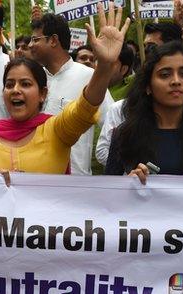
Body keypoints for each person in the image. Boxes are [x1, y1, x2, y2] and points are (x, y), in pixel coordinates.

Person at [0, 3, 129, 174]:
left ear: (42, 94)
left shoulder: (56, 131)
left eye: (25, 84)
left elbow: (85, 110)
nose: (16, 90)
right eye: (9, 85)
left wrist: (105, 66)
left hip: (72, 189)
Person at [105, 41, 183, 182]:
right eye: (165, 75)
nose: (176, 81)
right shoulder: (125, 134)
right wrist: (128, 183)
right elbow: (108, 190)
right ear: (148, 86)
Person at [29, 13, 114, 175]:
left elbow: (112, 125)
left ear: (53, 40)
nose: (30, 45)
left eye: (35, 39)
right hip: (35, 179)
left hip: (75, 182)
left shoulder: (89, 77)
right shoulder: (32, 79)